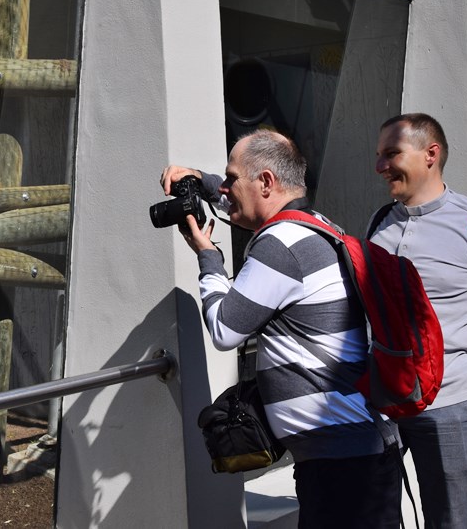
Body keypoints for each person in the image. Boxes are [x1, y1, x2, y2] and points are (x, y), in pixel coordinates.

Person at [162, 129, 402, 528]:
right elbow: (243, 202)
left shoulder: (280, 244)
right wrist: (200, 181)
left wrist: (208, 258)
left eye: (231, 178)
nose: (225, 189)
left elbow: (224, 329)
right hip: (349, 453)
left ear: (267, 181)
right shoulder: (313, 224)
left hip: (343, 462)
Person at [369, 113, 467, 528]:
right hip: (383, 405)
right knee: (370, 515)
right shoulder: (379, 222)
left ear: (431, 154)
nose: (380, 166)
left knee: (452, 522)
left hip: (454, 403)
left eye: (391, 154)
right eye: (379, 155)